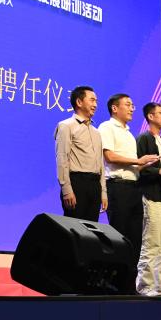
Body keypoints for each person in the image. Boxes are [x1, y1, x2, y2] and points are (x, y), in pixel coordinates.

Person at [98, 94, 159, 283]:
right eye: (128, 105)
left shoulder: (130, 135)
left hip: (134, 187)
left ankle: (129, 284)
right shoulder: (106, 127)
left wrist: (146, 164)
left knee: (135, 239)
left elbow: (133, 167)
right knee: (119, 236)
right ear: (115, 108)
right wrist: (138, 161)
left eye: (132, 105)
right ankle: (113, 283)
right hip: (117, 187)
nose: (132, 108)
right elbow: (109, 157)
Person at [134, 102, 161, 296]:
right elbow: (138, 167)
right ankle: (145, 285)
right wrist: (159, 171)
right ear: (150, 116)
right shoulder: (144, 139)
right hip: (150, 193)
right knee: (151, 241)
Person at [54, 86, 107, 222]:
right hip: (77, 183)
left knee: (91, 229)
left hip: (94, 184)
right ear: (79, 102)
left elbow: (101, 163)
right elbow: (62, 158)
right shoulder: (66, 126)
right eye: (92, 100)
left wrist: (103, 192)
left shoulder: (96, 132)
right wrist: (66, 189)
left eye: (96, 101)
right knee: (74, 228)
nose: (95, 105)